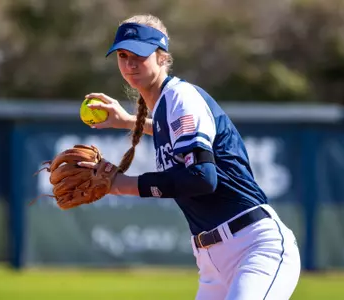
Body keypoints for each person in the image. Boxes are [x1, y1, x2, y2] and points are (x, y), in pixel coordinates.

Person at [81, 14, 301, 300]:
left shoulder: (180, 98)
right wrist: (128, 121)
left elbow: (201, 178)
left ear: (162, 57)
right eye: (123, 55)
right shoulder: (164, 108)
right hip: (211, 262)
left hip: (254, 248)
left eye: (140, 54)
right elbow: (175, 136)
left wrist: (121, 184)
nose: (130, 63)